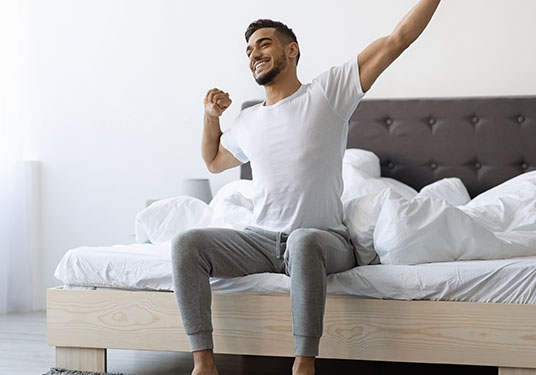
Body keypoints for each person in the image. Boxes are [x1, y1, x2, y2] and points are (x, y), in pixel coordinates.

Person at [171, 1, 441, 374]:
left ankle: (304, 363)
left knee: (302, 240)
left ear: (291, 50)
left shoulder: (328, 93)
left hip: (323, 239)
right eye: (249, 50)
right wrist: (210, 117)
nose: (254, 54)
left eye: (264, 44)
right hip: (260, 240)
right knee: (187, 244)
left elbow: (398, 39)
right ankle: (203, 363)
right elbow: (214, 160)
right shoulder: (250, 120)